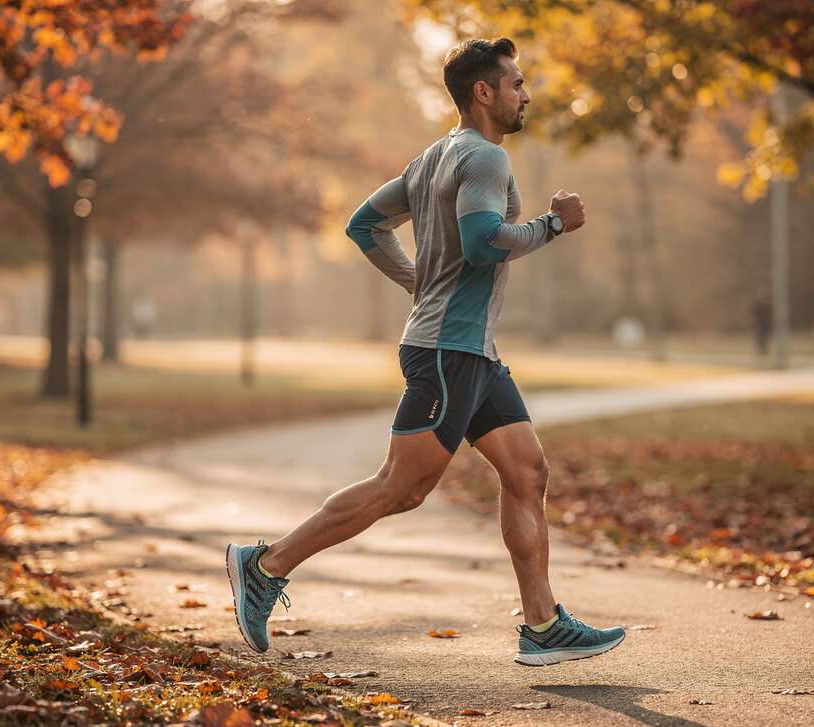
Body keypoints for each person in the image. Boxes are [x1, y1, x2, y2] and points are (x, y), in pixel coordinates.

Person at [225, 37, 625, 667]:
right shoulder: (486, 159)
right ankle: (265, 565)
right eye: (516, 84)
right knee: (399, 488)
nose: (527, 94)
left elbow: (364, 225)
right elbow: (484, 243)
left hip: (474, 351)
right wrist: (552, 225)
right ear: (484, 93)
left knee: (526, 472)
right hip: (448, 352)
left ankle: (542, 625)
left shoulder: (431, 159)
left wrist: (419, 281)